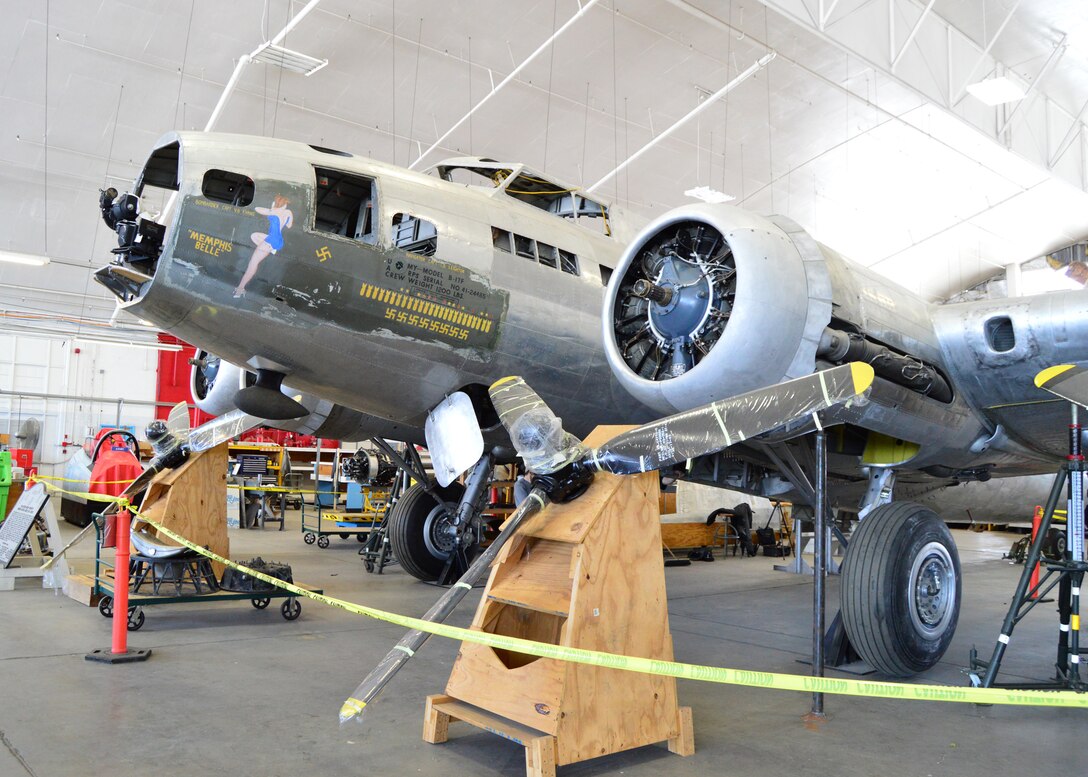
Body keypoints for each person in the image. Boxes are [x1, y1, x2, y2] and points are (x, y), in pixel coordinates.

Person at [234, 195, 294, 297]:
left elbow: (257, 209)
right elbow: (289, 225)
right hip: (278, 240)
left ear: (276, 203)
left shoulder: (274, 211)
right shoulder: (288, 212)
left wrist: (272, 208)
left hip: (270, 240)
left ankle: (240, 289)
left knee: (253, 264)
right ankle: (270, 249)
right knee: (254, 236)